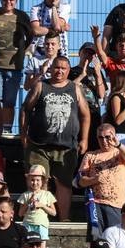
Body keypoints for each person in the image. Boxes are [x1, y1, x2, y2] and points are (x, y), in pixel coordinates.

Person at [21, 55, 89, 224]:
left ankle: (64, 218)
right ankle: (39, 217)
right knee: (39, 180)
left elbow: (85, 114)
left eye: (63, 68)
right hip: (39, 145)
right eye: (56, 67)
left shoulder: (75, 88)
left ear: (68, 71)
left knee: (64, 184)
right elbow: (25, 109)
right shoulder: (40, 86)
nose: (59, 71)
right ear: (51, 69)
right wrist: (23, 133)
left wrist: (85, 139)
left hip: (66, 147)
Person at [79, 125, 125, 240]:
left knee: (114, 240)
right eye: (100, 138)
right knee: (96, 241)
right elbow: (81, 181)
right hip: (95, 204)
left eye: (108, 137)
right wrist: (94, 179)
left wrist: (118, 144)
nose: (104, 141)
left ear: (114, 136)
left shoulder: (119, 153)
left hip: (117, 204)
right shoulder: (90, 155)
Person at [0, 0, 32, 132]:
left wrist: (22, 51)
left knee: (9, 101)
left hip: (14, 67)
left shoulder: (22, 16)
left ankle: (6, 130)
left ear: (16, 0)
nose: (8, 1)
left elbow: (31, 36)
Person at [17, 164, 56, 243]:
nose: (35, 182)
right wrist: (28, 202)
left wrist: (42, 205)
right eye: (32, 180)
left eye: (38, 180)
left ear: (43, 181)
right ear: (28, 181)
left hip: (41, 224)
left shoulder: (47, 194)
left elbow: (54, 213)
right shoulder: (25, 195)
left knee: (41, 244)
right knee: (27, 244)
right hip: (27, 224)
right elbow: (20, 214)